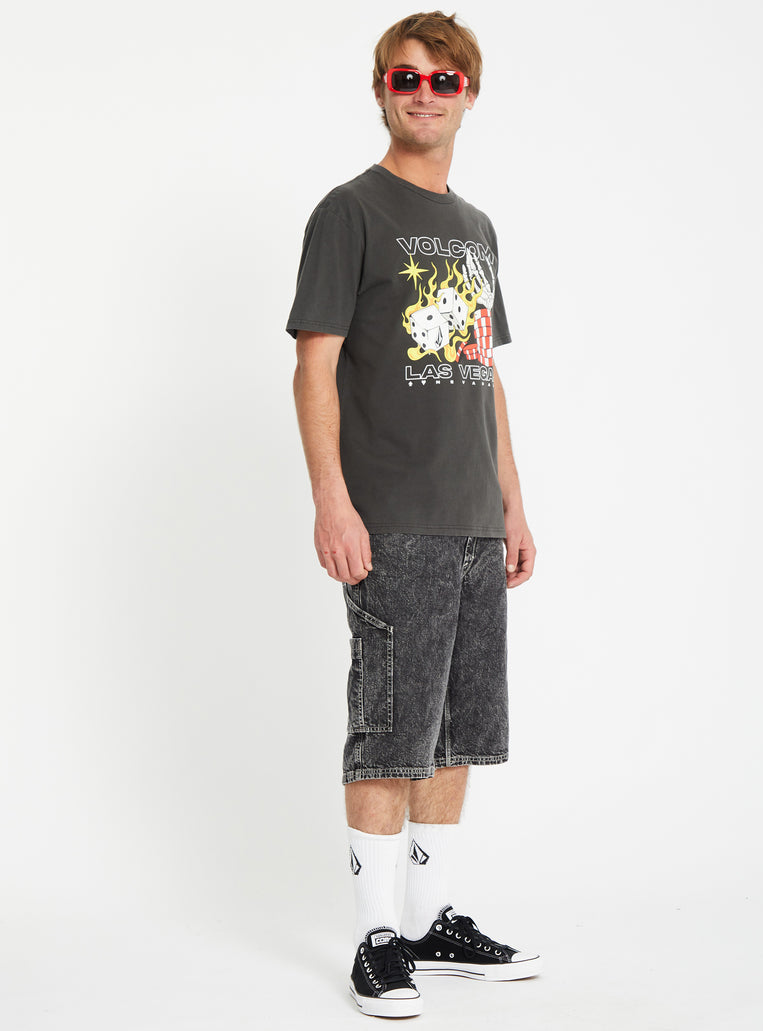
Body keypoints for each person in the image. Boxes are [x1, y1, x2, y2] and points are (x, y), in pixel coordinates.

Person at [286, 11, 539, 1019]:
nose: (423, 94)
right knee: (390, 731)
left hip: (473, 517)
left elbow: (485, 373)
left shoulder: (476, 227)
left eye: (442, 80)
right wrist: (332, 499)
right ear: (380, 90)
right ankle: (376, 936)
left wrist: (512, 503)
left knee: (455, 732)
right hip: (391, 514)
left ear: (468, 95)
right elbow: (313, 367)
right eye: (405, 77)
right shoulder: (349, 211)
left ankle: (432, 920)